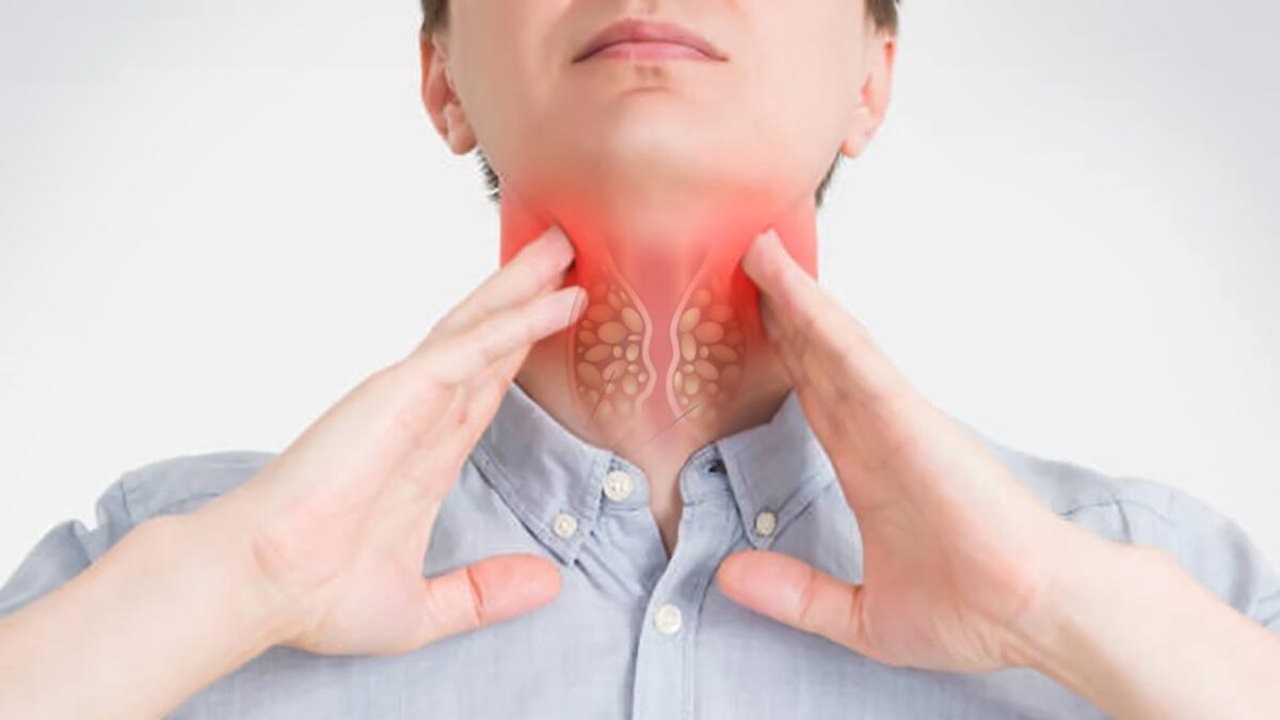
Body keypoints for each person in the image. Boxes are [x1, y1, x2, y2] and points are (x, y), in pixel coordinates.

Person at [2, 0, 1279, 717]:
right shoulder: (152, 585)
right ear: (442, 80)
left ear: (869, 81)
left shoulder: (1177, 598)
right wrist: (243, 582)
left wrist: (1052, 610)